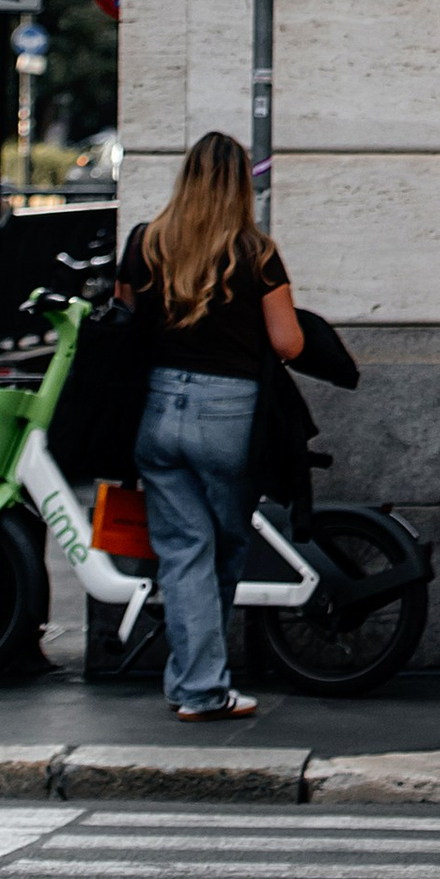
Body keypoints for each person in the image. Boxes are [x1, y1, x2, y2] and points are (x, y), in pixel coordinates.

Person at [115, 129, 304, 724]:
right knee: (220, 548)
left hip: (158, 404)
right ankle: (201, 686)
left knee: (184, 550)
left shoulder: (146, 242)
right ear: (239, 183)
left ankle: (195, 681)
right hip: (229, 415)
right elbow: (288, 342)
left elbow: (123, 320)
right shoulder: (257, 252)